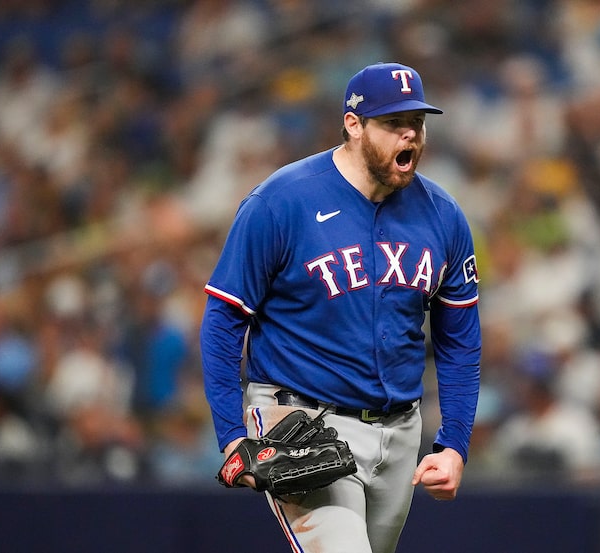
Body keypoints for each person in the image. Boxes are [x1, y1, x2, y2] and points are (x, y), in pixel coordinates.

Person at [200, 62, 481, 553]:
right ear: (353, 125)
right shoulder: (281, 202)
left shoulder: (443, 216)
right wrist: (230, 436)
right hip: (301, 423)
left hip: (400, 429)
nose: (410, 135)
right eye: (394, 123)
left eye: (417, 122)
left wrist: (454, 442)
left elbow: (459, 339)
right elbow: (224, 321)